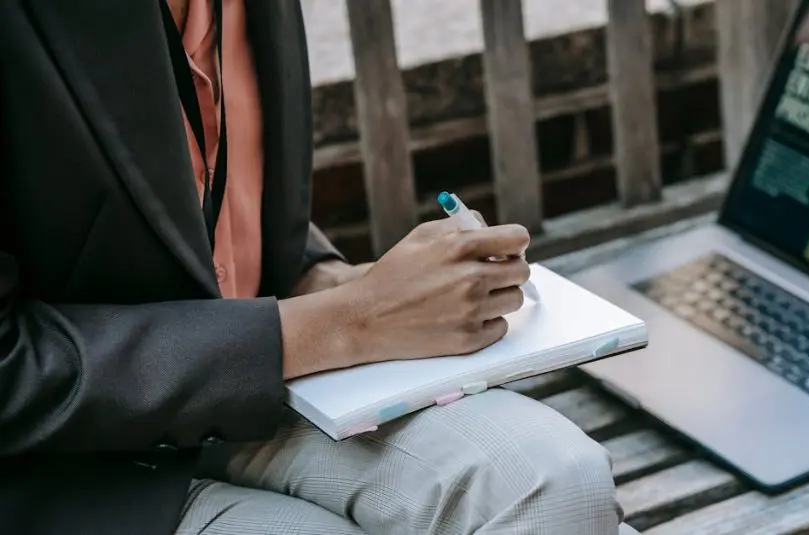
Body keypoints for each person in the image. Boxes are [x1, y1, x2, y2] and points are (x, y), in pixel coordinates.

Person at [0, 1, 640, 534]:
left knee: (558, 485)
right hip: (62, 466)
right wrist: (347, 321)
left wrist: (336, 280)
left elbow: (193, 200)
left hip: (248, 382)